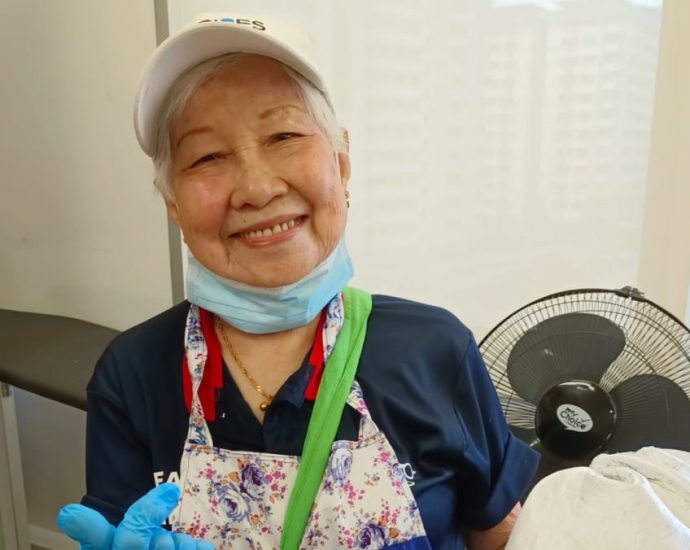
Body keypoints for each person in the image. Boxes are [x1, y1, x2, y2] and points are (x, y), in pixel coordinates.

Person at [57, 13, 539, 550]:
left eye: (284, 135)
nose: (258, 189)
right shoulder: (133, 373)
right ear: (173, 203)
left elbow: (496, 532)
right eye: (208, 156)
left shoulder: (435, 350)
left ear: (341, 160)